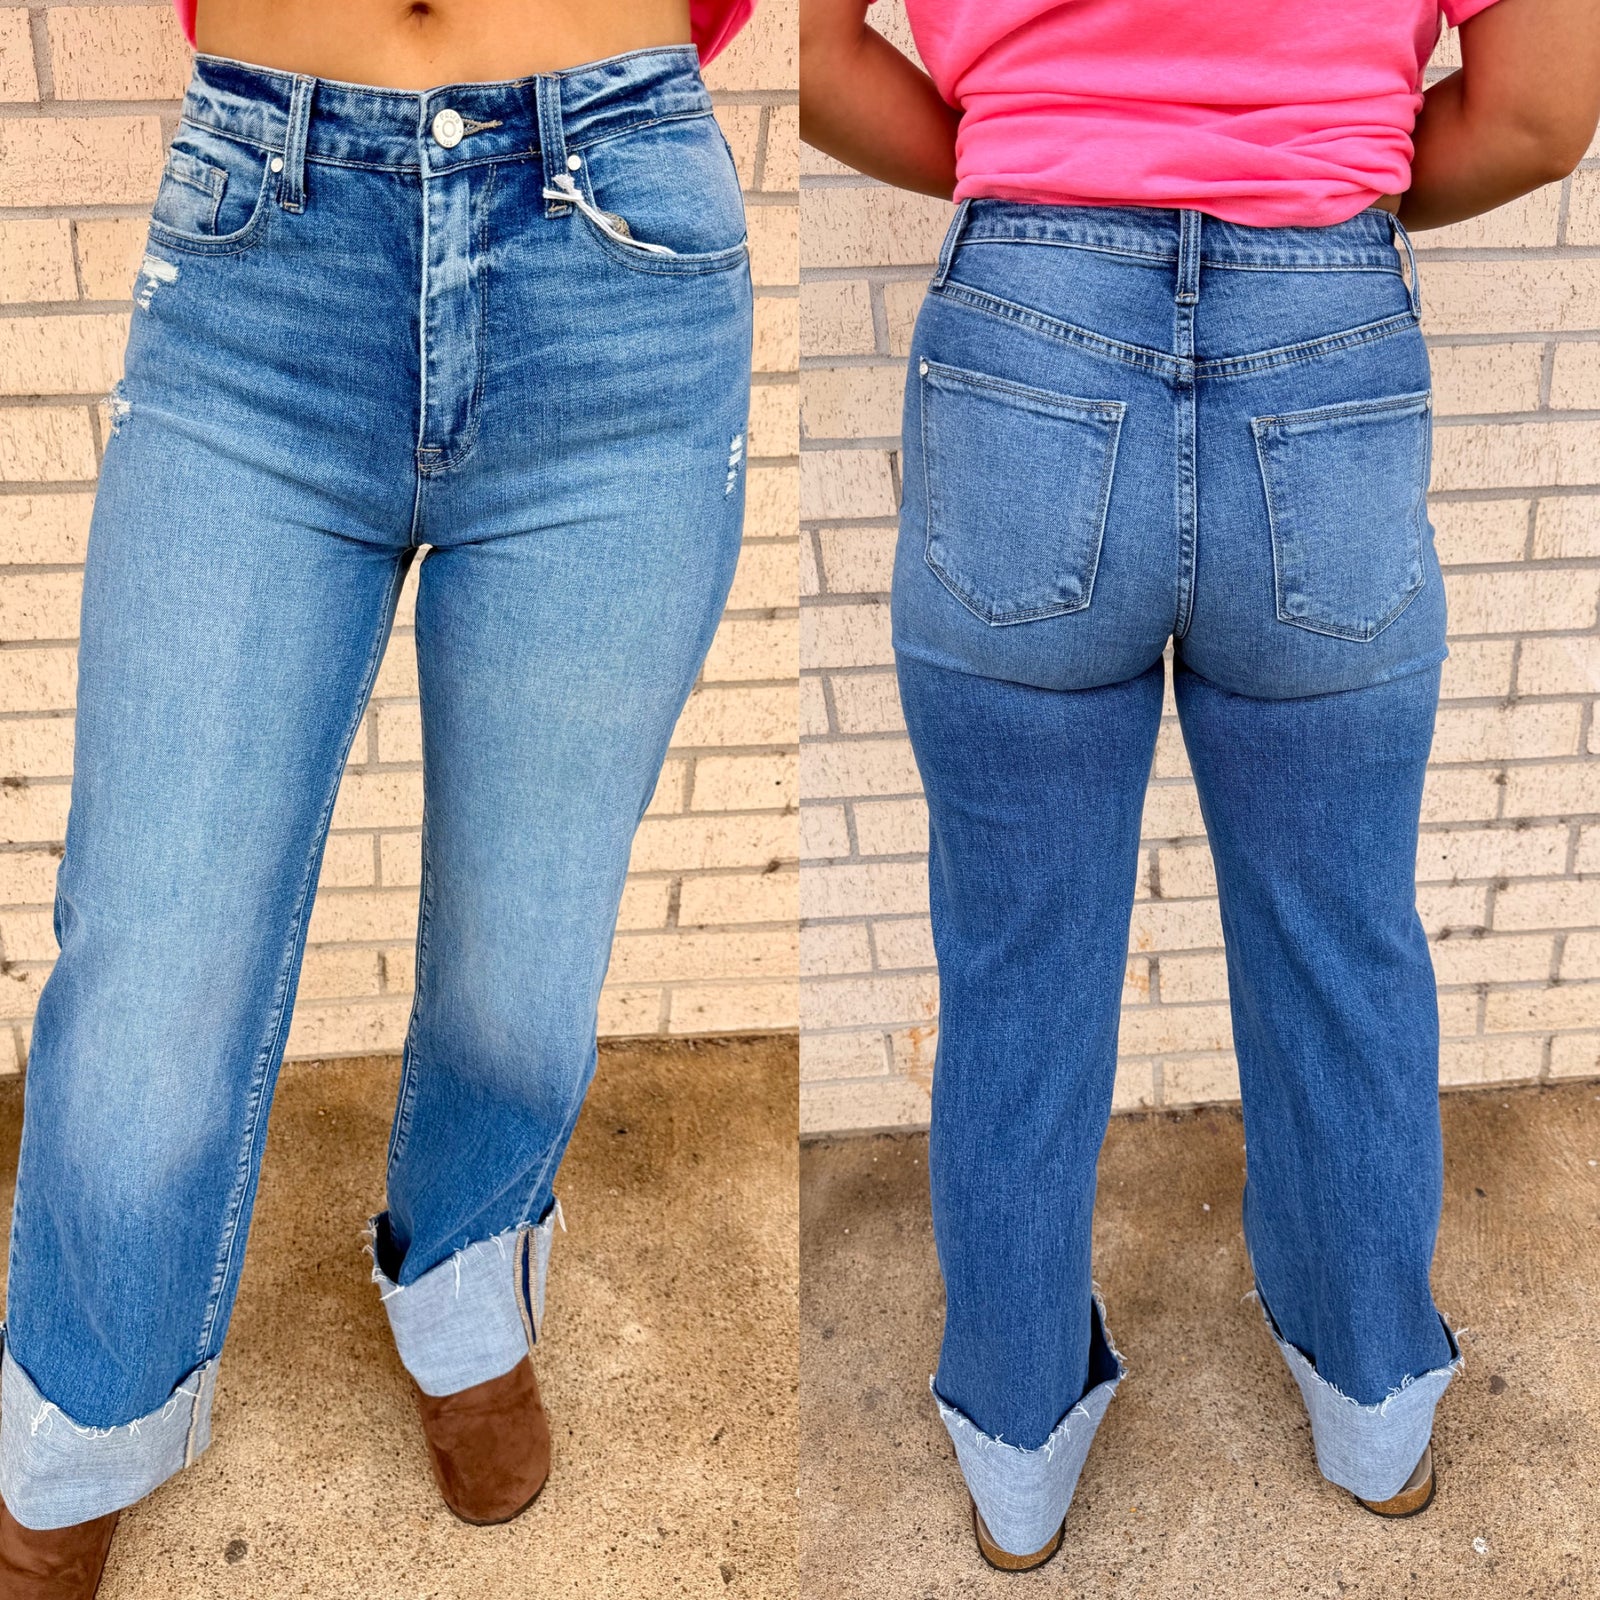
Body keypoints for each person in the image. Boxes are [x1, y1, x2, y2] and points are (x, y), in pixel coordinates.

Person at [801, 0, 1600, 1573]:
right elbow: (1537, 114)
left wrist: (1049, 169)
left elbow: (821, 62)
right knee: (1340, 949)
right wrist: (1320, 182)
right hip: (1327, 346)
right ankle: (1376, 1420)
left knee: (1020, 968)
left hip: (1023, 329)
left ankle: (1017, 1458)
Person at [0, 0, 756, 1592]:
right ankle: (79, 1423)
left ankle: (464, 1303)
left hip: (614, 252)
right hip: (264, 240)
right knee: (147, 980)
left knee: (521, 976)